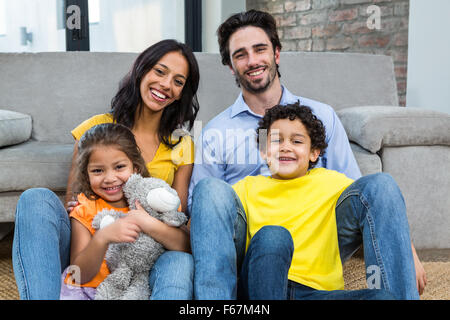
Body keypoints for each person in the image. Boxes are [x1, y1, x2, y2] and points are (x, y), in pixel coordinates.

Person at [189, 10, 425, 300]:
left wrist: (406, 250)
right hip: (253, 249)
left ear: (276, 53)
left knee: (380, 184)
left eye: (260, 49)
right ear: (230, 66)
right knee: (212, 191)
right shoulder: (216, 131)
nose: (252, 61)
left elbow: (365, 195)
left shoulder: (320, 116)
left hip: (318, 237)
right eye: (240, 54)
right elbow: (203, 212)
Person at [12, 39, 200, 300]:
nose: (166, 84)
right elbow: (75, 202)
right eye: (159, 71)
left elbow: (176, 225)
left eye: (178, 81)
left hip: (147, 252)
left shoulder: (183, 144)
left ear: (183, 92)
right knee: (35, 198)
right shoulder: (96, 129)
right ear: (141, 70)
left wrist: (140, 220)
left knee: (178, 260)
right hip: (89, 244)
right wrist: (102, 235)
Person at [234, 102, 397, 300]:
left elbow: (376, 203)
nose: (285, 147)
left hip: (316, 294)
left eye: (297, 142)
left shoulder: (330, 181)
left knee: (382, 298)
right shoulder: (247, 187)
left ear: (314, 152)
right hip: (263, 286)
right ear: (263, 150)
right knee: (273, 236)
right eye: (276, 141)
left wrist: (409, 254)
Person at [60, 123, 189, 299]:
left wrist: (147, 223)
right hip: (96, 293)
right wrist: (102, 238)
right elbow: (78, 275)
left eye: (119, 167)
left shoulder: (151, 198)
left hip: (142, 290)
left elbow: (186, 247)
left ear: (135, 167)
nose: (110, 178)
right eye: (98, 171)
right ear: (86, 175)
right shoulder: (85, 209)